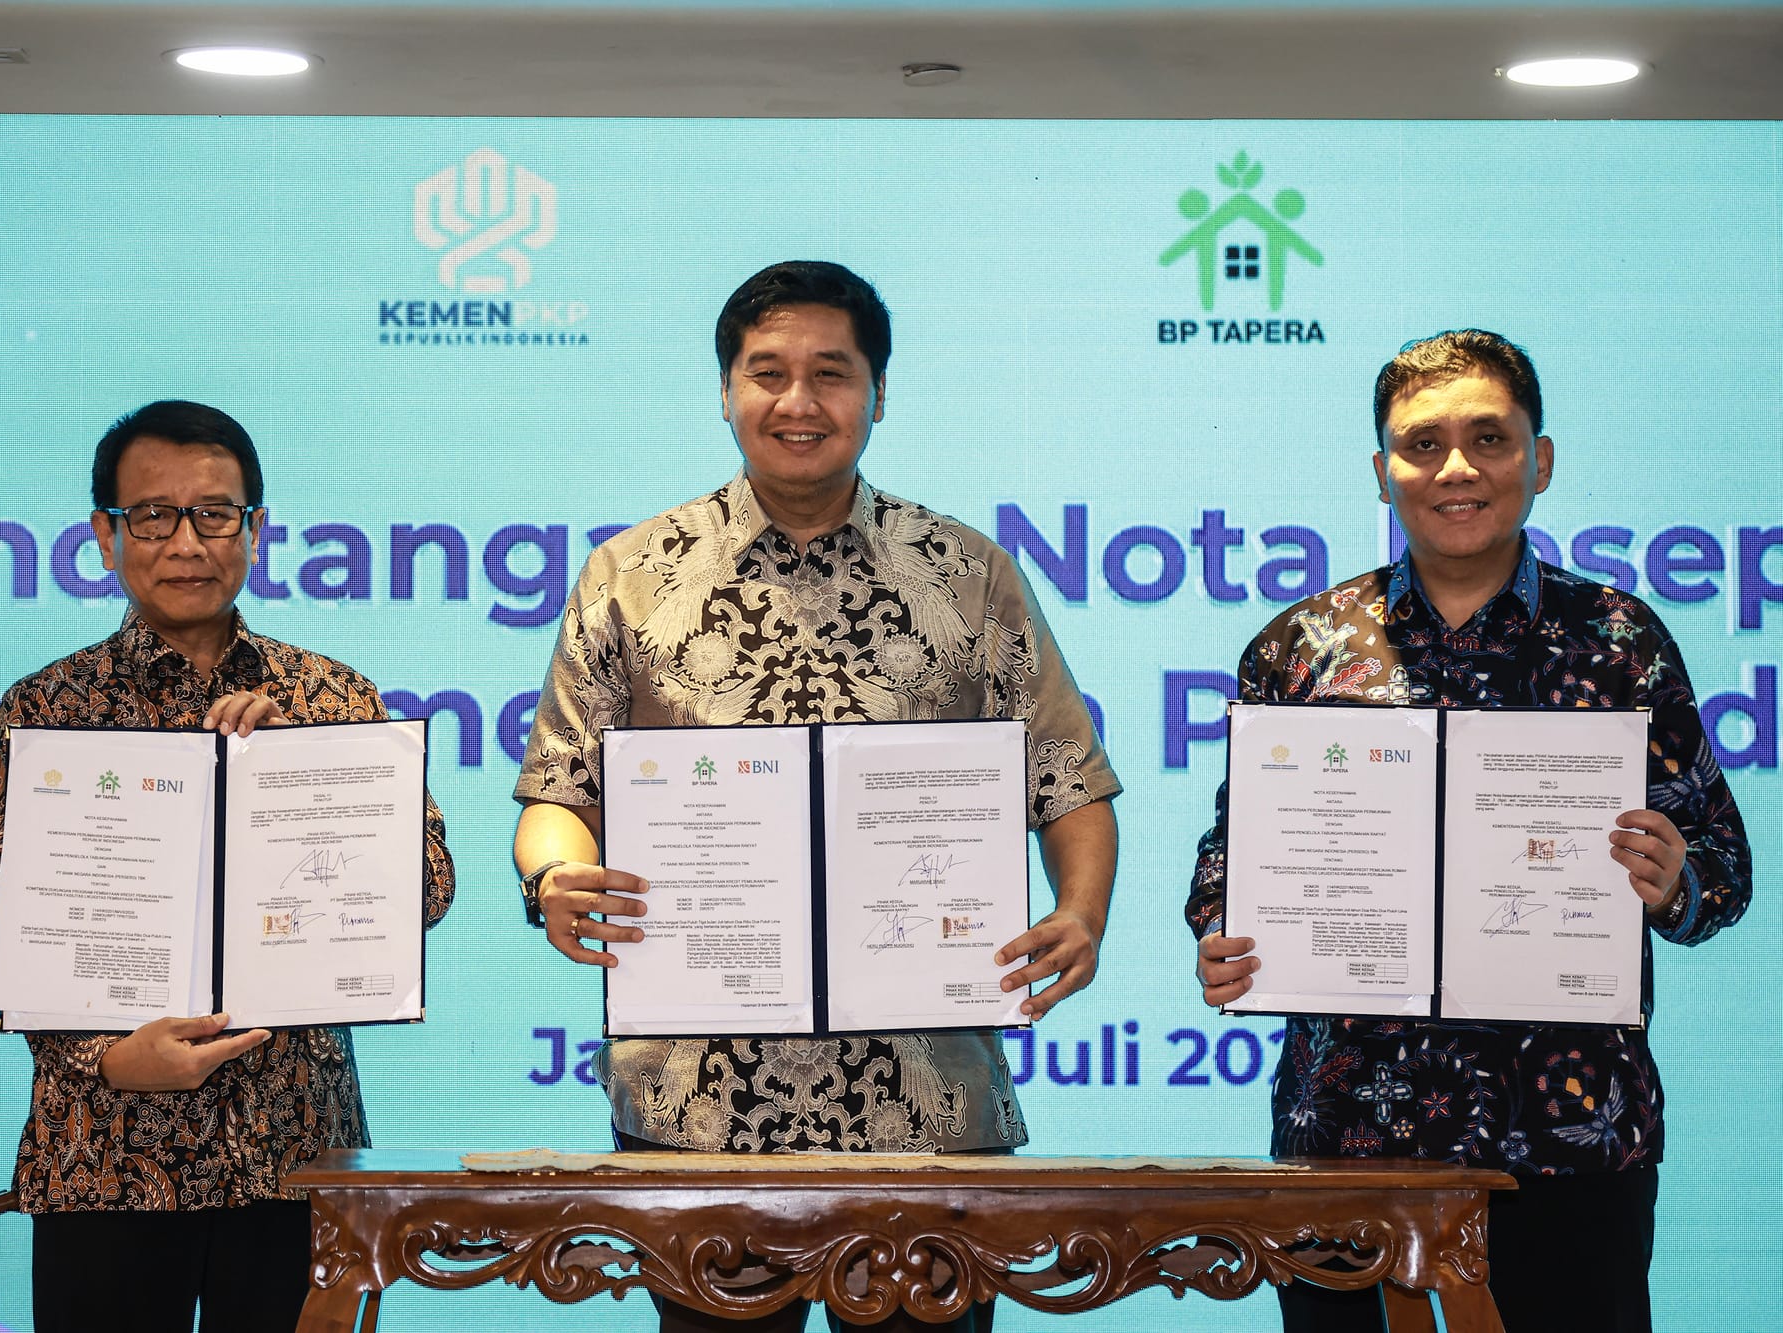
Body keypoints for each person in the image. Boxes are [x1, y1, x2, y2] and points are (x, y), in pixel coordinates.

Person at [511, 260, 1120, 1333]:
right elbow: (561, 787)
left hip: (923, 1093)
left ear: (878, 392)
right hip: (699, 1099)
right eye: (767, 372)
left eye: (831, 374)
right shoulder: (628, 575)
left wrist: (1080, 912)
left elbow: (1065, 775)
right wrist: (555, 874)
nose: (798, 401)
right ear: (724, 390)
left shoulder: (967, 573)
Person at [1185, 330, 1751, 1333]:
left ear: (1539, 459)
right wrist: (1222, 934)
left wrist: (1674, 880)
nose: (1456, 468)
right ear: (1381, 471)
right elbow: (1229, 859)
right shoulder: (1299, 648)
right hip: (1349, 1139)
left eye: (1489, 438)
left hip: (1571, 1140)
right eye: (1422, 444)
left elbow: (1722, 867)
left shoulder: (1620, 642)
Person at [0, 400, 457, 1332]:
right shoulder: (47, 710)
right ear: (105, 534)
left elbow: (427, 888)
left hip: (295, 1154)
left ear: (257, 529)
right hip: (106, 1156)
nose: (187, 542)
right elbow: (8, 932)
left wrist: (306, 767)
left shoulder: (329, 694)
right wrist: (111, 1058)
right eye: (154, 516)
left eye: (215, 514)